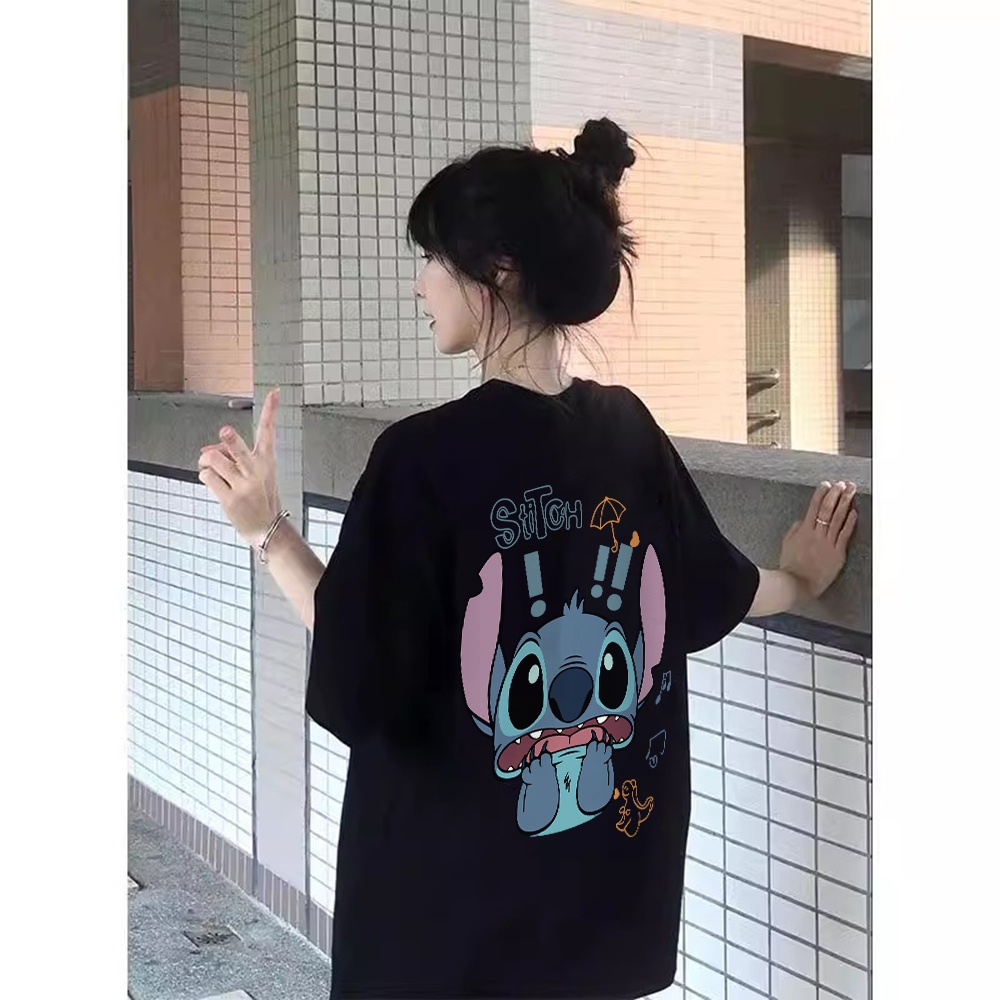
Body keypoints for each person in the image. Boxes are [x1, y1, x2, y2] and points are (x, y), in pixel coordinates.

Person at [197, 118, 858, 1000]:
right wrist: (805, 579)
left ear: (499, 268)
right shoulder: (629, 433)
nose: (420, 282)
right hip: (599, 919)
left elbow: (361, 665)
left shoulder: (422, 460)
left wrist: (266, 530)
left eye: (433, 257)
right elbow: (706, 592)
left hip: (450, 939)